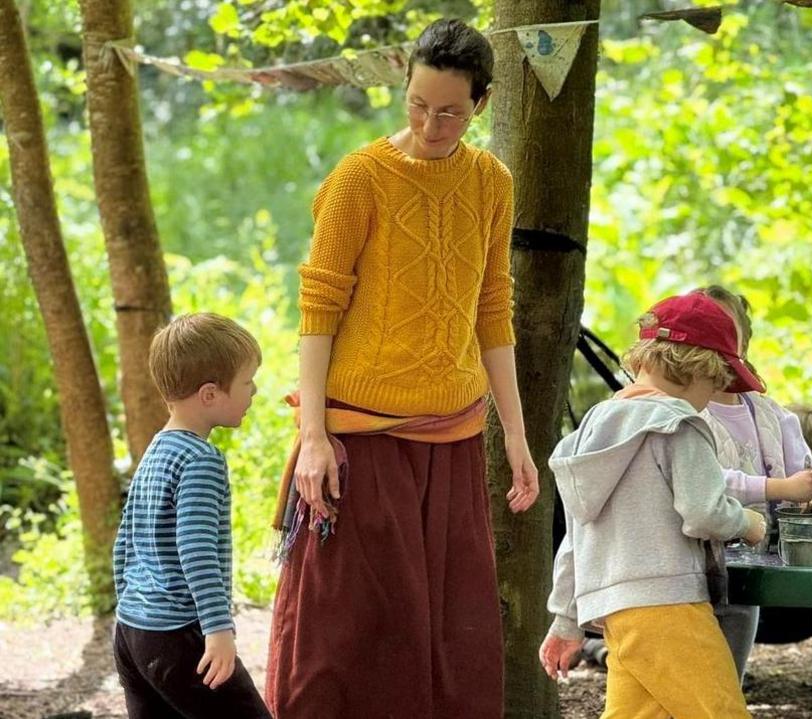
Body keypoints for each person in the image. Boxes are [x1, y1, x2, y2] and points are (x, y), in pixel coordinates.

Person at [265, 18, 538, 717]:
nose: (430, 121)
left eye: (449, 110)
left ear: (481, 104)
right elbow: (319, 306)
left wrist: (514, 434)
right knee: (344, 634)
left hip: (450, 437)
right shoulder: (361, 177)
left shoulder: (491, 182)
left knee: (448, 634)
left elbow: (492, 306)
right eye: (417, 103)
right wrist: (317, 436)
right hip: (359, 436)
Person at [539, 291, 768, 719]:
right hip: (669, 603)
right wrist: (748, 522)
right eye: (717, 384)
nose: (713, 397)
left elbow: (577, 535)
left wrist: (565, 621)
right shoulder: (681, 424)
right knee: (722, 711)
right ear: (702, 367)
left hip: (616, 613)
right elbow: (704, 512)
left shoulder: (591, 433)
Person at [112, 313, 269, 718]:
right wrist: (218, 629)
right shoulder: (201, 460)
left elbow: (124, 541)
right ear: (210, 394)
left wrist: (127, 609)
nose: (254, 391)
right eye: (248, 381)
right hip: (178, 634)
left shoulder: (156, 450)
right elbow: (196, 550)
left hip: (133, 631)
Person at [696, 285, 812, 682]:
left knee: (728, 682)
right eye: (706, 327)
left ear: (743, 341)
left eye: (726, 327)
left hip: (752, 570)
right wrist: (778, 489)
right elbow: (705, 483)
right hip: (694, 571)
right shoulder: (686, 413)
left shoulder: (772, 414)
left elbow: (810, 470)